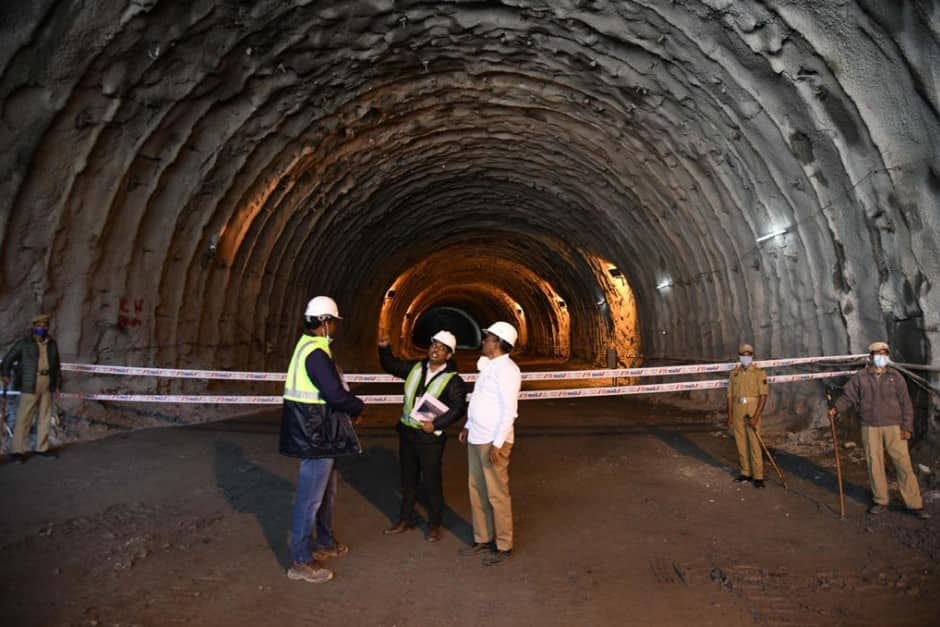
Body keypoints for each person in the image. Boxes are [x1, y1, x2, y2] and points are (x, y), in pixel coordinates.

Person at [279, 296, 365, 583]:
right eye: (334, 322)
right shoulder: (316, 353)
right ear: (325, 322)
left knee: (326, 493)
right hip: (316, 435)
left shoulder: (308, 346)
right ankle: (300, 560)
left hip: (319, 433)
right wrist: (357, 406)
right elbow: (335, 395)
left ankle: (325, 543)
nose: (336, 328)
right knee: (309, 500)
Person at [378, 329, 467, 542]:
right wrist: (384, 349)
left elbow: (458, 408)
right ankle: (405, 519)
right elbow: (391, 365)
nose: (436, 349)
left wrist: (436, 424)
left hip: (430, 440)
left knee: (431, 482)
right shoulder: (415, 367)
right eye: (434, 344)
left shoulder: (453, 380)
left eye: (442, 348)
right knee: (408, 481)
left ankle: (435, 523)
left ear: (449, 355)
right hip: (408, 434)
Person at [828, 341, 929, 519]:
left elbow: (906, 403)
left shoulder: (896, 377)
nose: (881, 357)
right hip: (870, 426)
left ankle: (914, 504)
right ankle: (880, 500)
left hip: (894, 426)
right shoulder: (861, 377)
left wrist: (907, 426)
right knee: (874, 464)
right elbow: (848, 396)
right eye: (878, 354)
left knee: (903, 464)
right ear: (871, 357)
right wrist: (835, 408)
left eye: (884, 353)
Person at [459, 321, 521, 566]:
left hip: (492, 441)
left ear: (499, 343)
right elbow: (479, 400)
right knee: (477, 491)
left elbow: (509, 411)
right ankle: (483, 538)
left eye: (488, 338)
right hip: (477, 436)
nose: (484, 341)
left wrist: (498, 443)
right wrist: (468, 425)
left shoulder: (508, 370)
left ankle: (504, 544)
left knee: (497, 494)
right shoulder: (489, 367)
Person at [1, 314, 63, 463]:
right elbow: (8, 359)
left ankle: (42, 448)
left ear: (48, 326)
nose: (42, 328)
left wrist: (57, 385)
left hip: (47, 382)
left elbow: (56, 366)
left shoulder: (52, 344)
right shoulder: (24, 344)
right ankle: (18, 451)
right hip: (30, 383)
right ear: (34, 327)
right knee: (24, 418)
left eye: (44, 325)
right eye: (39, 325)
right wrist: (5, 374)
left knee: (45, 418)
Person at [726, 343, 768, 488]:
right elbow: (730, 396)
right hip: (738, 408)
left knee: (754, 442)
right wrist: (730, 415)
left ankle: (758, 476)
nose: (745, 357)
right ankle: (745, 473)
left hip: (752, 408)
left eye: (748, 355)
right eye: (743, 355)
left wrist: (756, 416)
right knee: (740, 442)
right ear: (739, 356)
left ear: (752, 356)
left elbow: (763, 396)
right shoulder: (734, 373)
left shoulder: (759, 372)